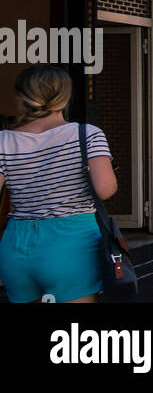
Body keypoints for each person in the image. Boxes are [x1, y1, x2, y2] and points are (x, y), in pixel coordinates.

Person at [0, 66, 117, 304]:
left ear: (21, 97)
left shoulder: (3, 140)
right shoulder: (88, 134)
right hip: (71, 243)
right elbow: (105, 189)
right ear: (65, 97)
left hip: (16, 245)